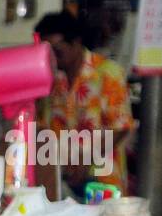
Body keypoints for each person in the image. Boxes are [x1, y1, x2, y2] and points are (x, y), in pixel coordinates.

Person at [35, 11, 136, 198]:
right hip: (63, 180)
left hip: (102, 179)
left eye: (57, 52)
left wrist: (86, 160)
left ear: (76, 42)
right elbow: (43, 126)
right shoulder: (52, 79)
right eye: (48, 55)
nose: (52, 60)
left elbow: (120, 127)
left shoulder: (108, 73)